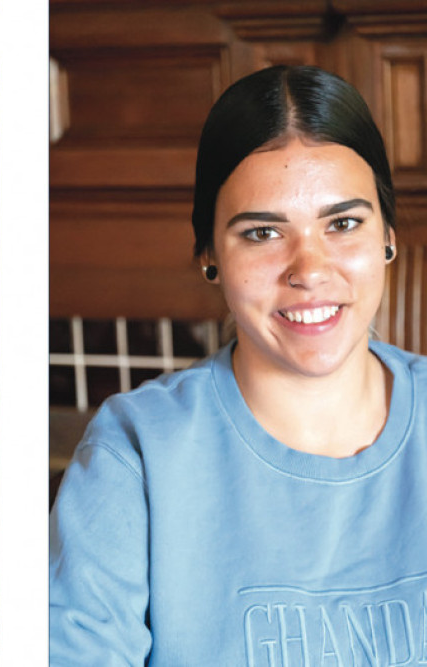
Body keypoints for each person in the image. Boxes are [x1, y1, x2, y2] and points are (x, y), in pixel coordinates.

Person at [49, 65, 427, 665]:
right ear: (210, 256)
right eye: (262, 233)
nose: (309, 269)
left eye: (343, 223)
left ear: (388, 235)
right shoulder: (137, 451)